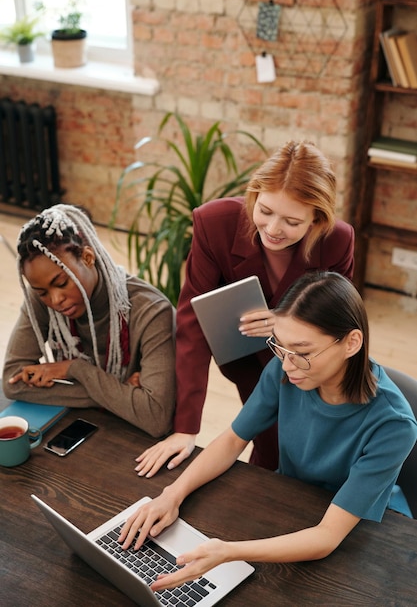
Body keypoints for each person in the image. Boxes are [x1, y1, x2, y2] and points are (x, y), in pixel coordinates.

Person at [119, 271, 417, 593]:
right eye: (281, 346)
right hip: (286, 503)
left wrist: (228, 552)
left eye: (302, 353)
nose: (287, 365)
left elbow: (328, 536)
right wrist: (171, 495)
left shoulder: (394, 425)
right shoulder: (286, 369)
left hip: (346, 534)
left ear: (351, 343)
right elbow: (234, 439)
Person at [136, 140, 355, 475]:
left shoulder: (338, 240)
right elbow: (191, 326)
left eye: (292, 222)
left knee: (311, 447)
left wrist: (286, 321)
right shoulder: (214, 224)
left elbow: (340, 320)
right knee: (269, 443)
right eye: (265, 211)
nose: (273, 229)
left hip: (309, 358)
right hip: (244, 356)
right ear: (254, 195)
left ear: (317, 219)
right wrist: (186, 428)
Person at [2, 204, 176, 437]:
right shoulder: (40, 299)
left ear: (87, 258)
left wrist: (74, 369)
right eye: (42, 292)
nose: (55, 299)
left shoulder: (152, 310)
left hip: (137, 442)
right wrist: (121, 391)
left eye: (62, 283)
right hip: (79, 424)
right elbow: (13, 381)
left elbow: (155, 417)